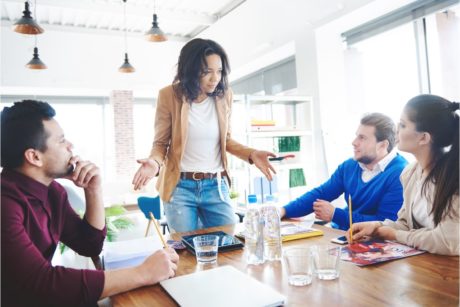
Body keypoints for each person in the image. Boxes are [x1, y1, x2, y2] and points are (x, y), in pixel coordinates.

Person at [1, 100, 179, 307]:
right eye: (61, 141)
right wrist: (143, 273)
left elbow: (89, 245)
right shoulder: (5, 204)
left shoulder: (53, 193)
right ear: (34, 157)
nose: (71, 146)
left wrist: (93, 189)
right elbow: (42, 283)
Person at [132, 38, 276, 232]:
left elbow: (225, 140)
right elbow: (160, 143)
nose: (215, 78)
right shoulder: (169, 95)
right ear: (190, 70)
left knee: (227, 243)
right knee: (186, 251)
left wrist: (251, 154)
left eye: (219, 71)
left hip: (215, 186)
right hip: (180, 187)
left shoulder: (225, 95)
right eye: (207, 71)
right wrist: (155, 163)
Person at [350, 95, 459, 256]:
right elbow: (406, 224)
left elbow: (447, 242)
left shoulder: (453, 179)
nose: (396, 130)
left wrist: (395, 235)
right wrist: (377, 226)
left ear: (424, 138)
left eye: (402, 125)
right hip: (427, 267)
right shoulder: (410, 173)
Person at [280, 113, 408, 230]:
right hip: (342, 234)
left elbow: (386, 223)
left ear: (382, 145)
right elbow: (321, 193)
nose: (354, 142)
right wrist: (283, 211)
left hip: (377, 244)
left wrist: (336, 214)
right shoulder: (350, 166)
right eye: (356, 136)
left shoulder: (400, 173)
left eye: (362, 138)